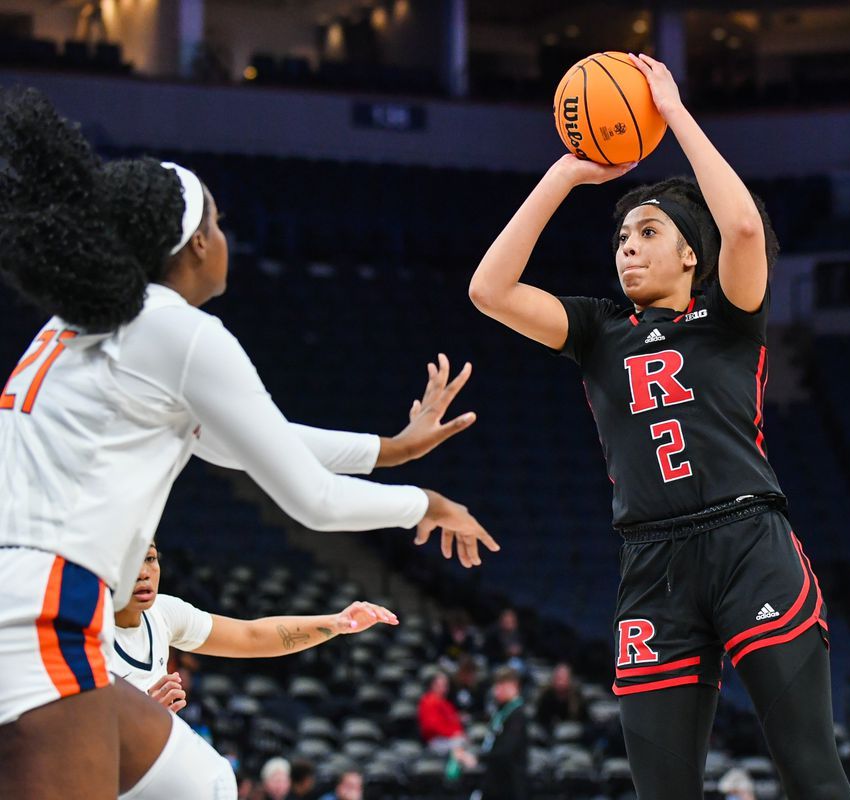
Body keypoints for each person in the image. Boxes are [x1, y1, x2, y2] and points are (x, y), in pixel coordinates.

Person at [0, 88, 495, 799]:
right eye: (221, 222)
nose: (226, 237)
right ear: (197, 242)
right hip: (42, 611)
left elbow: (252, 442)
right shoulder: (176, 330)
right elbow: (312, 500)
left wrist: (390, 450)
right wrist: (426, 502)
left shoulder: (80, 324)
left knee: (200, 779)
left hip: (27, 602)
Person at [469, 53, 850, 800]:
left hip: (749, 545)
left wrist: (672, 113)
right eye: (620, 240)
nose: (627, 250)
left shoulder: (731, 317)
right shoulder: (597, 329)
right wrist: (566, 174)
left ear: (689, 253)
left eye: (646, 234)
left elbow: (741, 225)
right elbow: (489, 290)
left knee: (811, 772)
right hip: (651, 566)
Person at [113, 542, 398, 708]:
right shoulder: (80, 633)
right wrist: (143, 718)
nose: (143, 573)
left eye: (150, 558)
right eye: (130, 562)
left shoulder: (164, 613)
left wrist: (336, 623)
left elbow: (251, 636)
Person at [475, 667, 529, 800]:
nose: (496, 690)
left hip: (510, 785)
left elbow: (506, 750)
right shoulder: (502, 711)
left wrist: (478, 758)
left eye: (501, 685)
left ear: (513, 685)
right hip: (496, 781)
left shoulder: (518, 715)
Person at [418, 671, 476, 767]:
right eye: (440, 685)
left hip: (450, 740)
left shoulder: (445, 703)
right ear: (433, 685)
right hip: (437, 741)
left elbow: (454, 723)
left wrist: (459, 733)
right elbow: (431, 726)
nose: (444, 688)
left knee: (466, 744)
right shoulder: (428, 701)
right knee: (461, 748)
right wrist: (453, 734)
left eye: (445, 685)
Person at [535, 662, 591, 731]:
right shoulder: (546, 696)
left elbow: (585, 720)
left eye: (563, 677)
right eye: (558, 678)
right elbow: (540, 719)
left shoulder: (577, 697)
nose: (560, 681)